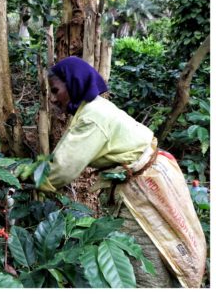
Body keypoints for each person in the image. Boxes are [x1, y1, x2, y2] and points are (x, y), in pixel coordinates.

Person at [40, 57, 205, 288]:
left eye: (56, 90)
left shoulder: (91, 118)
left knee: (145, 254)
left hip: (143, 189)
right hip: (153, 178)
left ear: (74, 84)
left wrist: (28, 178)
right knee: (161, 245)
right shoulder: (96, 108)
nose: (53, 98)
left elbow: (61, 170)